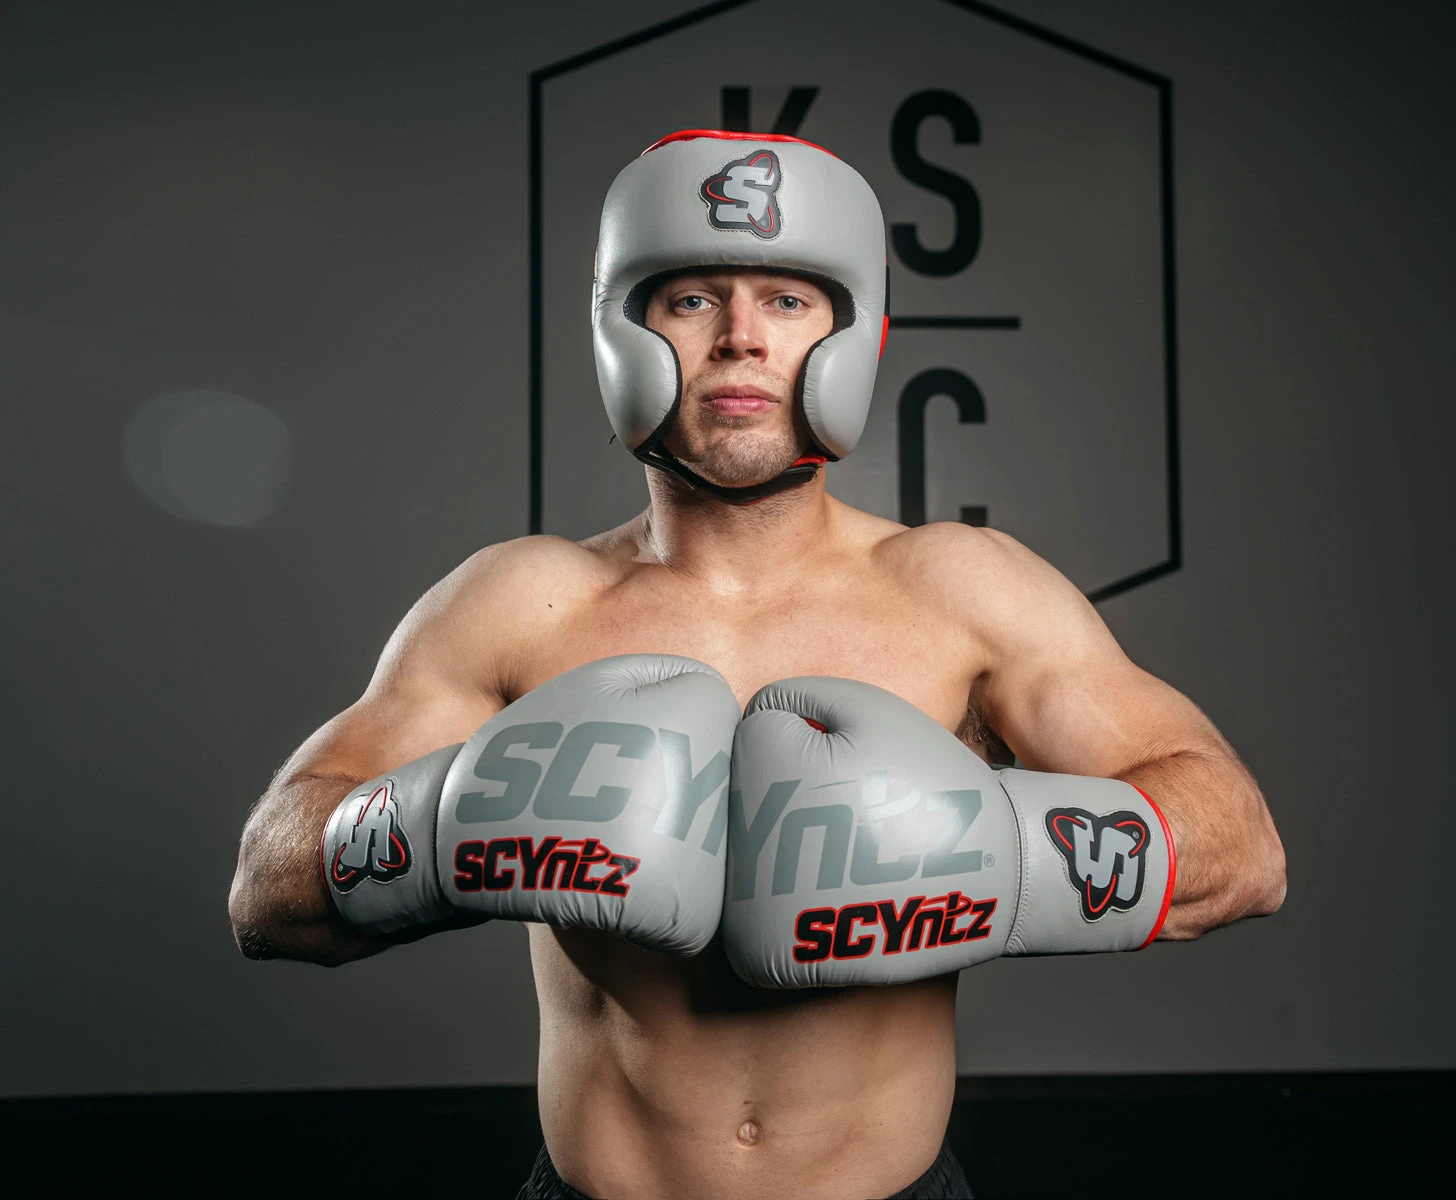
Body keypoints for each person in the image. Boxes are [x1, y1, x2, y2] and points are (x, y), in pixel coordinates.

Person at [228, 130, 1286, 1200]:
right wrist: (445, 831)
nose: (739, 338)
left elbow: (1241, 848)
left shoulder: (963, 592)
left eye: (787, 300)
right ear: (624, 332)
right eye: (693, 299)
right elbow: (267, 891)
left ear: (851, 337)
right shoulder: (519, 603)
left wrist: (995, 857)